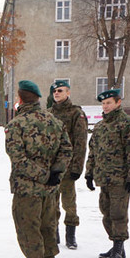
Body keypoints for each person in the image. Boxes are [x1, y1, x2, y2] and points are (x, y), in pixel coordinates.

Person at [5, 80, 72, 258]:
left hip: (28, 189)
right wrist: (54, 173)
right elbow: (67, 150)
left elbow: (17, 157)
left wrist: (42, 175)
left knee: (28, 229)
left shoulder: (16, 124)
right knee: (48, 227)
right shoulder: (54, 121)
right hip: (50, 189)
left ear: (21, 99)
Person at [85, 88, 130, 258]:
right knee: (106, 212)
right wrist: (89, 173)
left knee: (118, 213)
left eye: (109, 102)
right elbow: (93, 151)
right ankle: (116, 244)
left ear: (118, 103)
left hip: (121, 178)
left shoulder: (127, 124)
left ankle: (118, 248)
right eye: (103, 103)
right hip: (103, 178)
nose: (105, 106)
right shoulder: (100, 126)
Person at [49, 81, 87, 249]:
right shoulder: (49, 113)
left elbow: (80, 142)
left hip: (68, 166)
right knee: (51, 202)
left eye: (60, 90)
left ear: (68, 93)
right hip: (51, 167)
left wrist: (77, 168)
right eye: (54, 91)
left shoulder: (75, 113)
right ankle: (54, 233)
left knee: (69, 203)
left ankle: (70, 235)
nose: (56, 93)